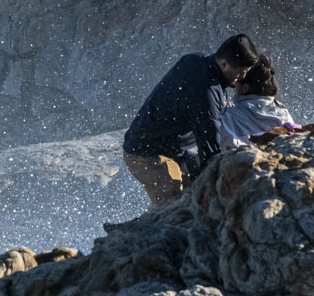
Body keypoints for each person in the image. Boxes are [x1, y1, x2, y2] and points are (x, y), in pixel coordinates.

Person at [123, 33, 260, 209]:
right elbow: (211, 148)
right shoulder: (206, 94)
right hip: (145, 153)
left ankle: (134, 228)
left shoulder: (196, 59)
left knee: (188, 196)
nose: (242, 77)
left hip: (172, 150)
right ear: (224, 63)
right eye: (241, 71)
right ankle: (131, 234)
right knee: (171, 205)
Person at [220, 55, 299, 150]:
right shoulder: (282, 110)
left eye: (236, 81)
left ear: (245, 88)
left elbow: (226, 145)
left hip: (243, 162)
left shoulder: (227, 115)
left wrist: (228, 112)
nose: (233, 84)